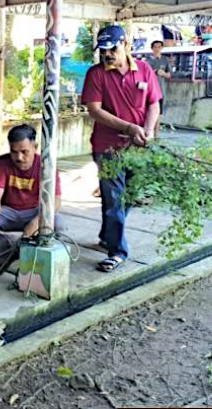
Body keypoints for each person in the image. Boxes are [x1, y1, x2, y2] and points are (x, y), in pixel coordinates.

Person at [82, 25, 161, 273]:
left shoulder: (145, 70)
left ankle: (109, 234)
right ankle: (117, 252)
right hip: (107, 148)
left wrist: (147, 131)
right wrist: (129, 128)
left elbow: (154, 104)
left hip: (138, 149)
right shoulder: (96, 74)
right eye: (103, 50)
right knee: (114, 198)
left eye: (112, 49)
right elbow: (95, 110)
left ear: (126, 45)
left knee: (130, 195)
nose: (107, 54)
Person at [0, 124, 64, 236]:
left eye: (24, 152)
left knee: (57, 222)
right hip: (7, 212)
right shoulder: (0, 163)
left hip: (33, 212)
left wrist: (35, 223)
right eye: (14, 152)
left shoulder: (47, 166)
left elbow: (56, 201)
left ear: (35, 147)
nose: (19, 157)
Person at [146, 40, 171, 136]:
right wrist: (153, 72)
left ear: (162, 48)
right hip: (149, 91)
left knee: (159, 113)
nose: (157, 49)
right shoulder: (147, 61)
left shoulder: (165, 60)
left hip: (161, 91)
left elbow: (169, 75)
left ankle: (156, 134)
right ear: (152, 48)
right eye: (155, 47)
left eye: (159, 47)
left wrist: (163, 73)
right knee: (149, 111)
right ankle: (148, 133)